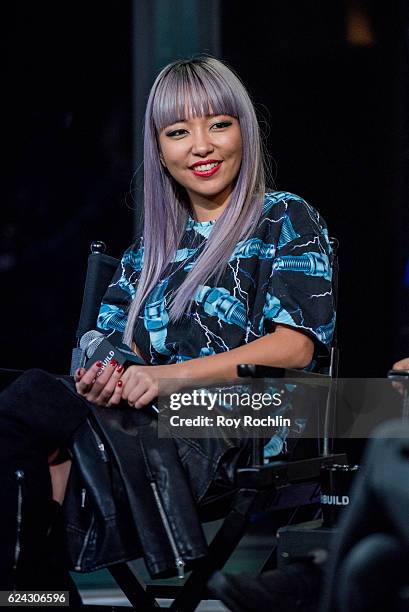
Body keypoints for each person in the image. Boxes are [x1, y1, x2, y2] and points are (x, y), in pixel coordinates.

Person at [0, 56, 334, 599]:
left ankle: (36, 584)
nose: (201, 146)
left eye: (218, 124)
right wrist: (102, 376)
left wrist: (168, 377)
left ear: (244, 132)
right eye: (178, 132)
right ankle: (35, 583)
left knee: (33, 419)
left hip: (237, 421)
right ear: (159, 149)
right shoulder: (150, 250)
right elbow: (105, 345)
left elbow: (294, 347)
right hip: (138, 422)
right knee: (27, 404)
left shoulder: (284, 216)